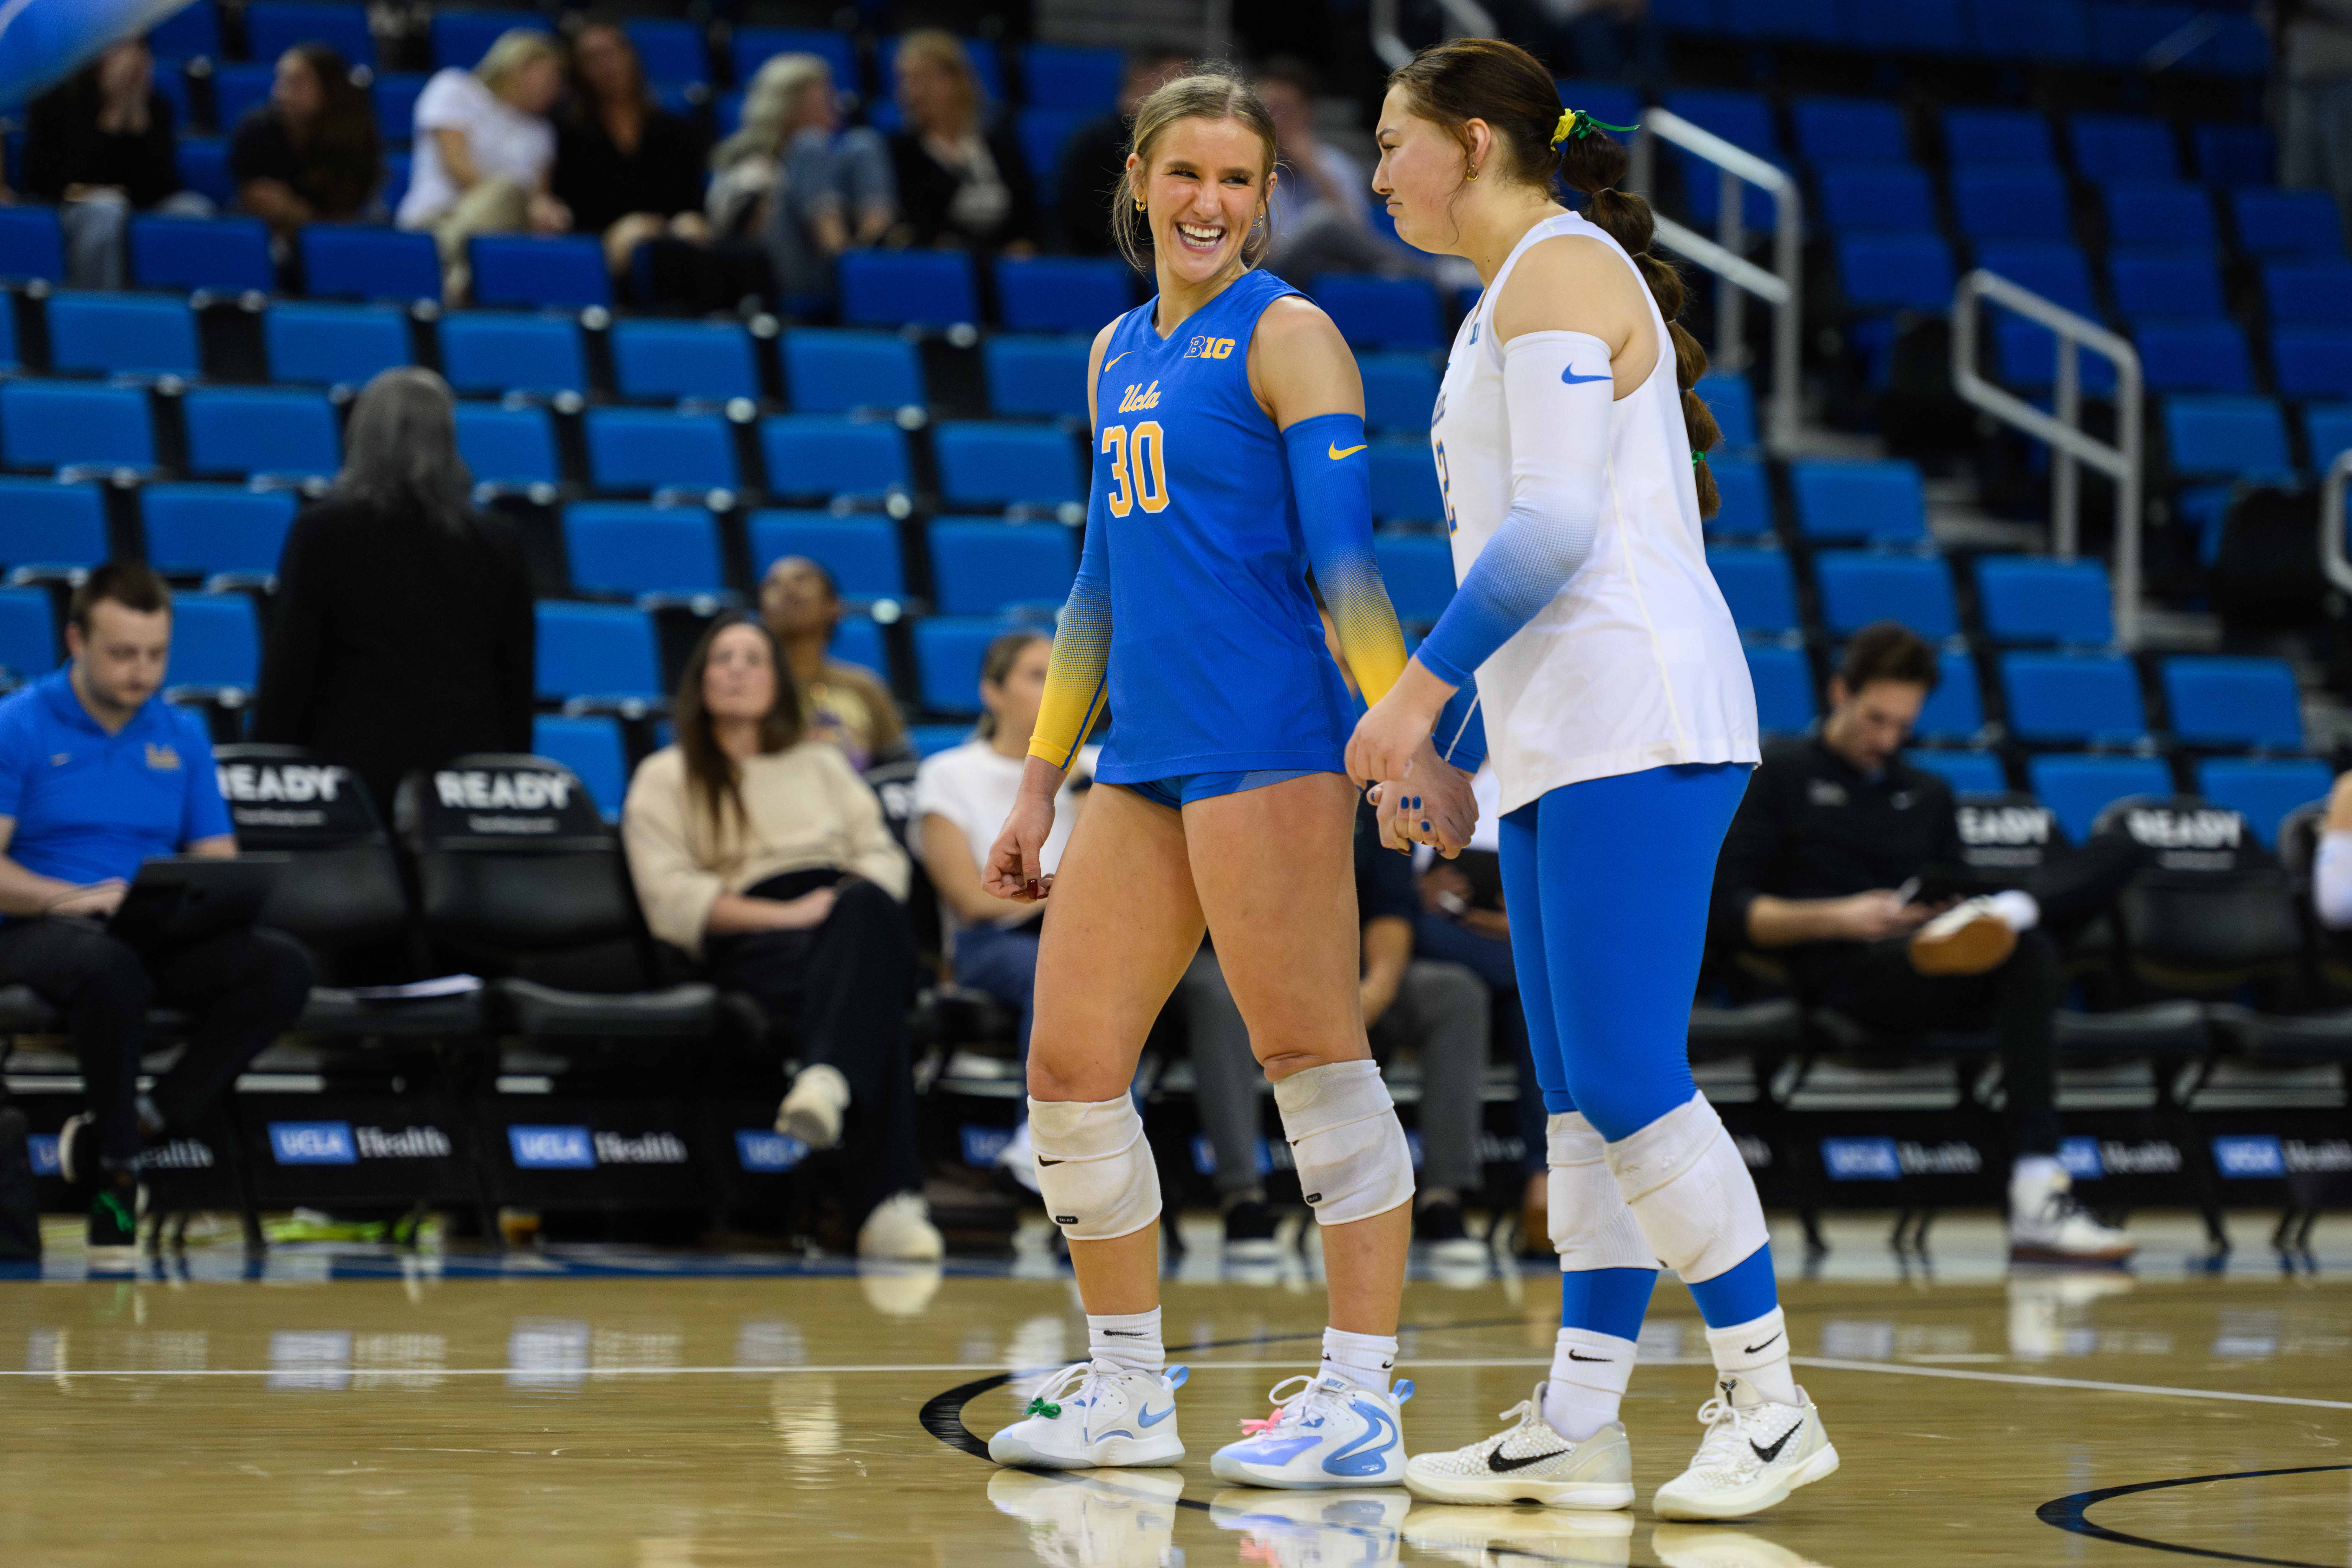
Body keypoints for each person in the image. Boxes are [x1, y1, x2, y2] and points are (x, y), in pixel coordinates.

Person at [981, 67, 1471, 1488]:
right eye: (1183, 174)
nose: (1208, 203)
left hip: (1265, 739)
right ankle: (1128, 1386)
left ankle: (1361, 1391)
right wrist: (1034, 788)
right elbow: (1092, 586)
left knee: (1309, 1059)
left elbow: (1347, 566)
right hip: (1136, 757)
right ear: (1137, 182)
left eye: (1237, 180)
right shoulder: (1112, 351)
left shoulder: (1295, 335)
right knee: (1068, 1073)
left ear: (1264, 201)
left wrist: (1398, 734)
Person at [1346, 41, 1815, 1520]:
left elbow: (1549, 534)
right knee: (1571, 1102)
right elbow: (1556, 550)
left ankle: (1767, 1399)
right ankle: (1575, 1418)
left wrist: (1413, 699)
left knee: (1623, 1077)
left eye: (1389, 144)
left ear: (1472, 142)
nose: (1372, 175)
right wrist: (1464, 749)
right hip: (1566, 726)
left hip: (1642, 711)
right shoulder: (1511, 295)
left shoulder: (1552, 270)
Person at [1709, 626, 2144, 1265]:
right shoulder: (1776, 773)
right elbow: (1730, 911)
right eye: (1873, 718)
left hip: (1932, 963)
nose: (1885, 739)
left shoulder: (1927, 793)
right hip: (1845, 974)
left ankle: (2013, 911)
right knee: (2025, 950)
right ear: (1838, 691)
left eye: (1900, 725)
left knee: (2113, 855)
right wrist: (1841, 915)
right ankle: (2034, 1193)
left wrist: (1946, 908)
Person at [0, 563, 311, 1265]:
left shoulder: (183, 733)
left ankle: (141, 1122)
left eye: (156, 654)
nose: (142, 672)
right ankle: (116, 1179)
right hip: (37, 926)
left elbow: (216, 856)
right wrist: (62, 896)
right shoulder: (18, 725)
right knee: (109, 966)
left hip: (143, 927)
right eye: (122, 653)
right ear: (76, 640)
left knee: (281, 968)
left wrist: (209, 896)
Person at [620, 614, 941, 1261]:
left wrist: (836, 908)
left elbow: (883, 857)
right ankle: (889, 1203)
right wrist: (789, 916)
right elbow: (671, 896)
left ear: (778, 681)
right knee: (872, 990)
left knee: (869, 917)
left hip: (846, 914)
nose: (736, 670)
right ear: (700, 679)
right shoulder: (665, 773)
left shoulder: (822, 763)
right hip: (757, 934)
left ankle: (824, 1078)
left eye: (753, 659)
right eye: (722, 659)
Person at [253, 368, 535, 817]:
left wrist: (266, 774)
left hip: (347, 782)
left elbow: (291, 666)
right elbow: (516, 685)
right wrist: (504, 784)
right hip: (464, 785)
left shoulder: (323, 531)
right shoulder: (499, 543)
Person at [914, 630, 1084, 1053]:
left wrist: (1080, 780)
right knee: (1067, 969)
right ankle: (1045, 1118)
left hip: (1093, 934)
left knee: (1201, 978)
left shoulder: (1098, 766)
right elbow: (972, 900)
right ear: (993, 692)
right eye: (1037, 675)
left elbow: (1126, 871)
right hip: (995, 940)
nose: (1056, 690)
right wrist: (1071, 898)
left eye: (1064, 677)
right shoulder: (948, 772)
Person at [708, 52, 895, 305]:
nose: (836, 109)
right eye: (824, 103)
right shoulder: (746, 162)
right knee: (810, 145)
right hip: (774, 269)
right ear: (785, 110)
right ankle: (847, 265)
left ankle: (871, 256)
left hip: (829, 260)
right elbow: (737, 232)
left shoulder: (829, 160)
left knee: (865, 142)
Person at [396, 28, 570, 300]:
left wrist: (549, 212)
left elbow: (539, 196)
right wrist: (516, 197)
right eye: (546, 75)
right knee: (508, 192)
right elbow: (458, 168)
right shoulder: (455, 88)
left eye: (557, 80)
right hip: (438, 220)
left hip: (503, 236)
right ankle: (433, 262)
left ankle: (448, 284)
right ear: (516, 67)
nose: (553, 87)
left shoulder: (542, 133)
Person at [21, 35, 206, 290]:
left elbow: (164, 187)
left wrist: (139, 120)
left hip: (139, 204)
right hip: (73, 209)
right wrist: (113, 116)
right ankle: (102, 308)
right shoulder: (54, 99)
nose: (131, 62)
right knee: (105, 212)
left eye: (139, 51)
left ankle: (176, 312)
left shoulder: (157, 107)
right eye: (121, 50)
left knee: (191, 209)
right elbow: (50, 181)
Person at [553, 20, 711, 277]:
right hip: (601, 242)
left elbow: (691, 201)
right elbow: (571, 207)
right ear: (579, 72)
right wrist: (623, 229)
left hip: (669, 235)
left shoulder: (677, 130)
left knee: (691, 230)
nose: (607, 66)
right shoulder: (567, 134)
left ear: (631, 56)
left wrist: (669, 224)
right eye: (592, 59)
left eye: (612, 53)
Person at [1256, 58, 1413, 281]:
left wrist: (1313, 169)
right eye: (1268, 110)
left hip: (1334, 265)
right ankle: (1424, 272)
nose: (1277, 120)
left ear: (1306, 112)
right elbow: (1255, 244)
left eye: (1285, 110)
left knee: (1326, 222)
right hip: (1275, 260)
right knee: (1321, 220)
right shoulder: (1250, 167)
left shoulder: (1335, 164)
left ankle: (1406, 272)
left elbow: (1354, 232)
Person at [886, 30, 1042, 254]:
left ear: (954, 80)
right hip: (949, 270)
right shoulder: (902, 151)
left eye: (920, 79)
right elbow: (924, 229)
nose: (909, 91)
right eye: (904, 79)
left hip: (1009, 264)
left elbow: (1029, 218)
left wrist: (1023, 247)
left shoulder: (999, 142)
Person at [758, 555, 910, 772]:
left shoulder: (863, 686)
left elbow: (901, 769)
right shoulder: (747, 686)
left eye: (801, 579)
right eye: (773, 584)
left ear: (834, 606)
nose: (787, 588)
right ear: (761, 611)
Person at [231, 42, 383, 242]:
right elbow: (261, 200)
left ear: (329, 88)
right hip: (270, 231)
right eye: (282, 81)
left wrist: (294, 210)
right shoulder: (256, 128)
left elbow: (347, 211)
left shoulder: (355, 134)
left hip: (340, 233)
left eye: (297, 83)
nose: (282, 93)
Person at [1053, 50, 1190, 255]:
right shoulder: (1094, 141)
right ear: (1141, 78)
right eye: (1175, 83)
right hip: (1102, 257)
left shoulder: (1183, 144)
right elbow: (1084, 218)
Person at [2268, 0, 2352, 245]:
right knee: (2297, 179)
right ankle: (2301, 264)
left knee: (2344, 180)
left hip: (2345, 78)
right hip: (2297, 78)